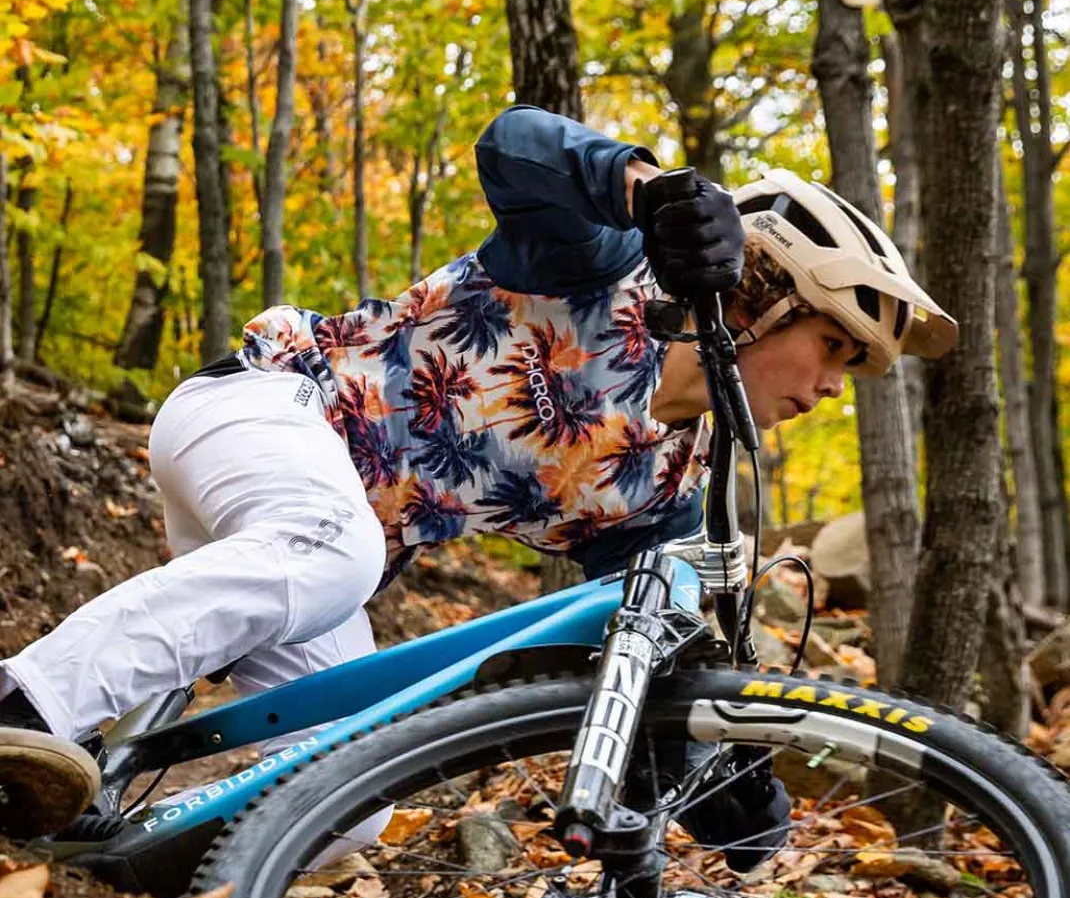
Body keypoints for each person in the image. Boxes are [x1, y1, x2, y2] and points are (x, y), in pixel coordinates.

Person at [0, 104, 956, 858]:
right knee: (335, 549)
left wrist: (713, 778)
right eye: (833, 346)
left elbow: (642, 649)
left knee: (343, 808)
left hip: (317, 551)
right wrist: (652, 192)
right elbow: (515, 145)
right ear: (763, 290)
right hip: (261, 410)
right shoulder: (597, 267)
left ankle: (111, 834)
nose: (834, 386)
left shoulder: (668, 480)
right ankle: (19, 706)